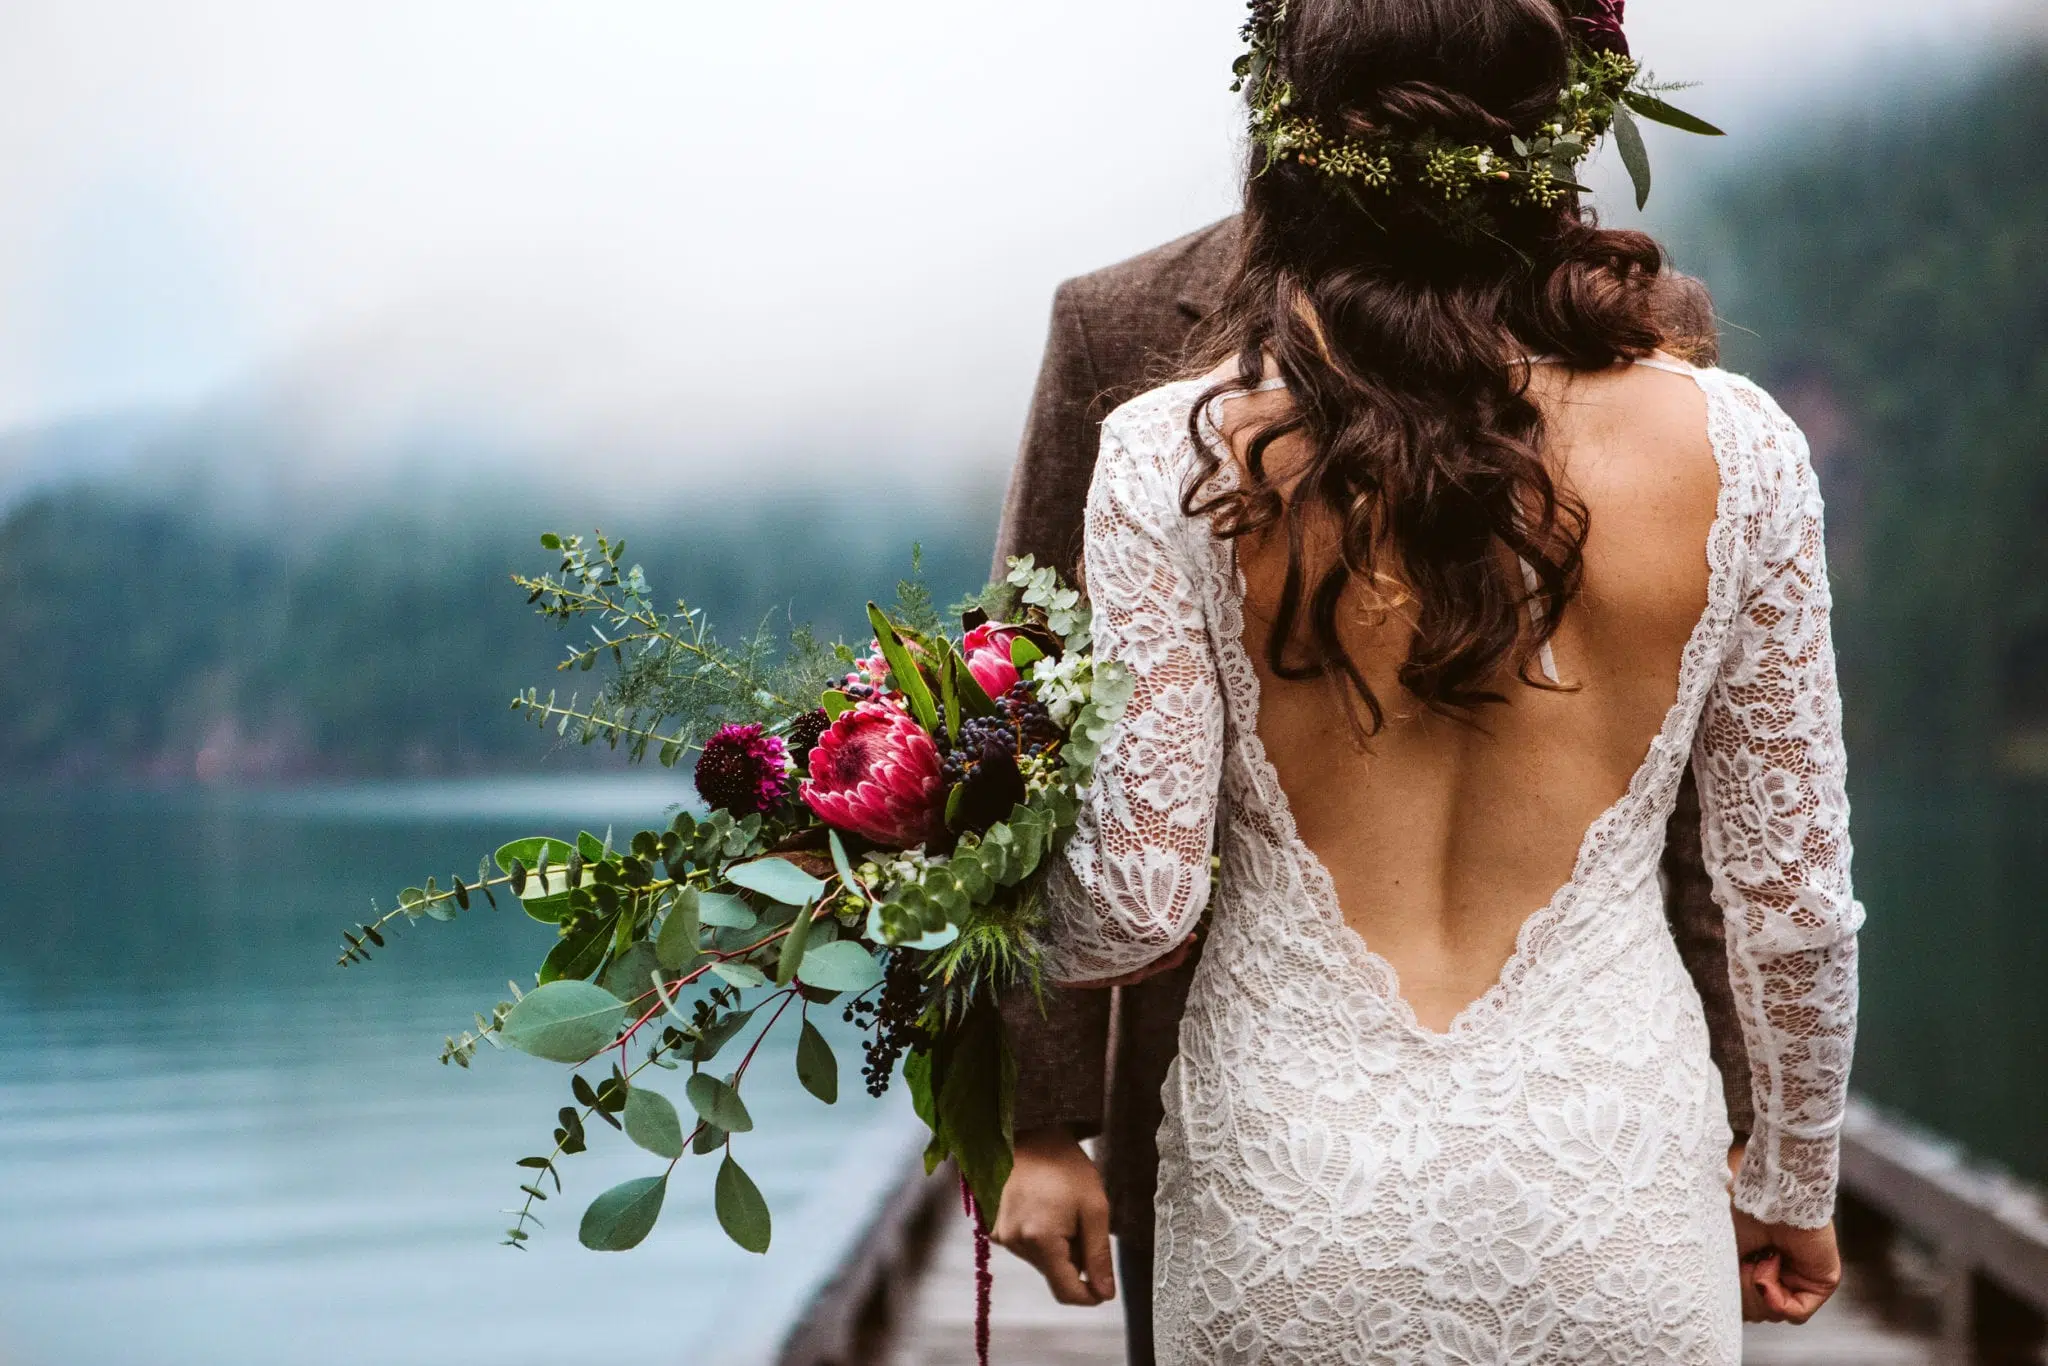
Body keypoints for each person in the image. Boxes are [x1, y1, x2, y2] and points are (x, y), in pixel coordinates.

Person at [1016, 0, 1862, 1360]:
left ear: (1292, 146)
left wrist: (937, 871)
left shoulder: (1169, 456)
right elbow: (1794, 904)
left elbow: (1136, 906)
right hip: (1608, 1185)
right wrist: (1790, 1181)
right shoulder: (1740, 447)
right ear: (1563, 135)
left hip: (1289, 1196)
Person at [988, 227, 1748, 1366]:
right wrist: (1034, 1122)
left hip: (1593, 1115)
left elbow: (1688, 769)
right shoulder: (1120, 317)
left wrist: (1739, 1113)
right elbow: (1030, 726)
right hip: (1225, 1100)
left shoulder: (1623, 317)